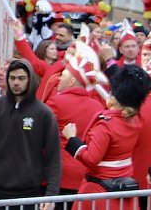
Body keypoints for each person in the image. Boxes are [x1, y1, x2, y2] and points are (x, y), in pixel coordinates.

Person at [0, 58, 61, 210]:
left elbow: (53, 158)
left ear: (30, 80)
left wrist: (51, 194)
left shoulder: (44, 114)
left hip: (29, 195)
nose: (16, 83)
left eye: (21, 78)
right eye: (12, 78)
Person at [63, 64, 151, 209]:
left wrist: (72, 139)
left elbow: (91, 159)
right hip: (123, 193)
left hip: (98, 193)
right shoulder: (137, 120)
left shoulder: (106, 125)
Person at [44, 41, 108, 201]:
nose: (58, 79)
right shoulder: (98, 107)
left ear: (72, 81)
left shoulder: (56, 103)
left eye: (63, 75)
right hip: (83, 177)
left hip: (56, 176)